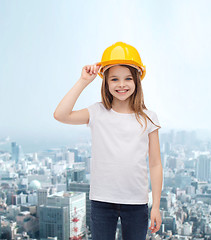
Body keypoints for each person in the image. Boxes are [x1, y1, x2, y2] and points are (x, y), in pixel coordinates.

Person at [53, 41, 163, 240]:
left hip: (136, 202)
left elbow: (155, 164)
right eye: (114, 79)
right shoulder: (97, 112)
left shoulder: (149, 117)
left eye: (128, 78)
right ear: (106, 82)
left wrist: (156, 205)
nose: (121, 85)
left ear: (137, 81)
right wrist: (83, 81)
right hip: (102, 201)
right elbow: (61, 115)